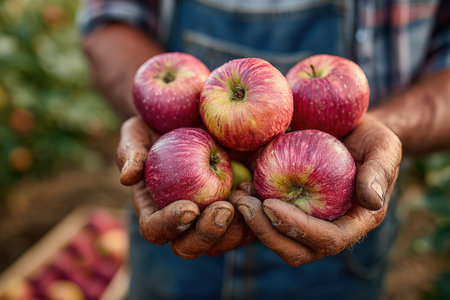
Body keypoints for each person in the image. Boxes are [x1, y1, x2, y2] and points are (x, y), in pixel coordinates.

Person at [80, 1, 450, 299]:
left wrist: (387, 126)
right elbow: (106, 22)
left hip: (342, 202)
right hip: (182, 211)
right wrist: (155, 116)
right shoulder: (215, 99)